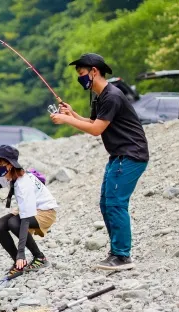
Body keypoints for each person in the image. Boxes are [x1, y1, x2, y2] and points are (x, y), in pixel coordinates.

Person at [50, 53, 149, 271]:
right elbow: (94, 122)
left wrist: (65, 119)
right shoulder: (99, 96)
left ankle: (122, 256)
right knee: (106, 204)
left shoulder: (112, 95)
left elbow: (96, 130)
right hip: (118, 156)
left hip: (131, 154)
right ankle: (116, 252)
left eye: (82, 74)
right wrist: (73, 114)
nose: (81, 78)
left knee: (115, 203)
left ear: (94, 71)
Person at [0, 145, 58, 279]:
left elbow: (24, 221)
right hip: (32, 209)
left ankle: (39, 257)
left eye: (0, 162)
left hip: (46, 212)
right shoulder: (8, 173)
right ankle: (18, 263)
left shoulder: (23, 185)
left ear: (10, 165)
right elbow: (2, 183)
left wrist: (21, 254)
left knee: (14, 222)